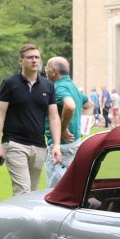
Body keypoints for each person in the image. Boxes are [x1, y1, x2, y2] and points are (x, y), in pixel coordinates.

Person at [0, 43, 61, 195]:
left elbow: (54, 117)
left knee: (31, 194)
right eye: (30, 57)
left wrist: (56, 145)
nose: (34, 60)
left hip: (39, 146)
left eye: (37, 57)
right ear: (21, 61)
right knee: (22, 192)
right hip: (14, 144)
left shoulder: (48, 86)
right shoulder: (10, 83)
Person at [44, 56, 88, 187]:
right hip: (73, 144)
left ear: (54, 71)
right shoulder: (72, 86)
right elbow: (89, 105)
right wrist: (82, 126)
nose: (45, 70)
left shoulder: (59, 87)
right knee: (71, 187)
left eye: (47, 68)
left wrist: (62, 129)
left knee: (55, 191)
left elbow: (70, 106)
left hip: (61, 148)